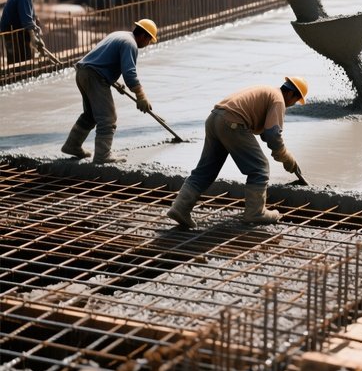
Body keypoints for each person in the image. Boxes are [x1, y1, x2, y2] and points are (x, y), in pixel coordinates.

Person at [167, 77, 307, 229]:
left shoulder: (268, 91)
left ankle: (180, 207)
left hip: (215, 119)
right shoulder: (279, 100)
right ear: (292, 94)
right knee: (259, 167)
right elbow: (273, 135)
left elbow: (266, 134)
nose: (293, 104)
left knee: (206, 170)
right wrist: (286, 156)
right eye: (296, 100)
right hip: (232, 123)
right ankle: (256, 212)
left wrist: (284, 157)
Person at [61, 19, 158, 163]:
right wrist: (140, 95)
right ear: (144, 36)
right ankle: (102, 155)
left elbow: (105, 59)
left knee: (91, 115)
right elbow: (130, 73)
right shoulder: (130, 44)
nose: (148, 44)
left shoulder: (120, 35)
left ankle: (72, 145)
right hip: (94, 77)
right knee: (107, 118)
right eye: (149, 41)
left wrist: (112, 81)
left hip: (83, 73)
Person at [1, 0, 45, 64]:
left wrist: (38, 34)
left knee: (26, 55)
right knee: (16, 60)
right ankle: (17, 76)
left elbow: (32, 15)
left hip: (18, 28)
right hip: (11, 30)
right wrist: (33, 37)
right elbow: (26, 20)